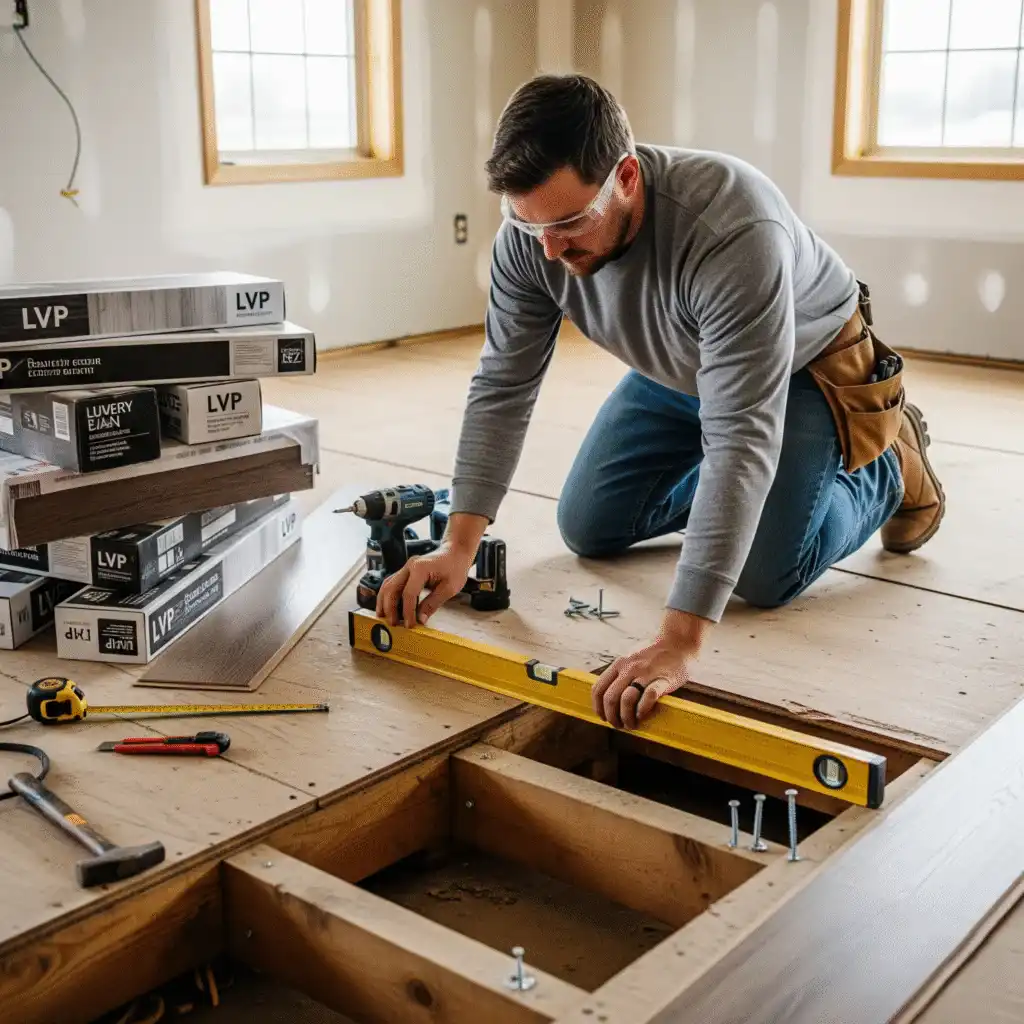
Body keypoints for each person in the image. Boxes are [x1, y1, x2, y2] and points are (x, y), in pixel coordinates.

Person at [376, 73, 945, 731]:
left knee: (761, 577)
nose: (549, 250)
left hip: (800, 369)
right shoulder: (534, 238)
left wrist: (680, 641)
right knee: (589, 526)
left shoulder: (734, 229)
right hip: (682, 368)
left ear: (625, 176)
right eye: (526, 222)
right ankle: (750, 504)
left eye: (567, 222)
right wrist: (458, 546)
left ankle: (887, 466)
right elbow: (503, 386)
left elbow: (740, 436)